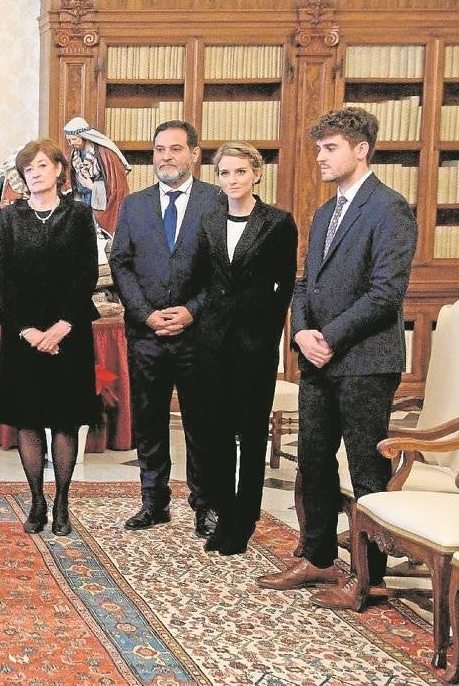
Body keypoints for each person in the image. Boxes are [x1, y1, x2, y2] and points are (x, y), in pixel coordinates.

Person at [257, 107, 417, 609]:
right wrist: (302, 331)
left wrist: (328, 336)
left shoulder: (391, 209)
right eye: (319, 147)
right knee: (313, 461)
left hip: (366, 360)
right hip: (318, 359)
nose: (320, 157)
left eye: (330, 148)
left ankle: (367, 579)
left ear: (361, 149)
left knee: (367, 470)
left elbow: (385, 293)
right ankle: (319, 556)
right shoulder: (326, 211)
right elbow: (303, 282)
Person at [108, 120, 220, 538]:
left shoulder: (216, 201)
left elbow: (222, 271)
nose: (166, 157)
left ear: (194, 153)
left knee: (201, 425)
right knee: (149, 422)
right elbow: (121, 262)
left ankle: (205, 506)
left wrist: (191, 311)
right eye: (159, 150)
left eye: (175, 149)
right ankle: (153, 504)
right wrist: (144, 313)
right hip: (146, 334)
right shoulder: (134, 205)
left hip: (198, 335)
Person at [0, 139, 101, 536]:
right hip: (23, 333)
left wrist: (62, 326)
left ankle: (63, 502)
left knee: (66, 420)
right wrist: (29, 330)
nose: (33, 174)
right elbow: (3, 277)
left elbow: (86, 274)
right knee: (29, 420)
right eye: (27, 169)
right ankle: (37, 500)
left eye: (40, 166)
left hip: (69, 333)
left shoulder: (79, 215)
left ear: (58, 169)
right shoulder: (8, 218)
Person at [194, 142, 298, 555]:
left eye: (240, 172)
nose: (232, 180)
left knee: (251, 435)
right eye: (224, 173)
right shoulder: (209, 219)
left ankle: (244, 520)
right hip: (212, 343)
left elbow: (285, 286)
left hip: (254, 345)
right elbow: (202, 279)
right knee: (215, 434)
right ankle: (221, 512)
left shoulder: (277, 222)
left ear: (256, 173)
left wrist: (266, 336)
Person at [63, 117, 131, 235]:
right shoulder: (76, 153)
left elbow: (114, 184)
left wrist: (92, 186)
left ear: (84, 136)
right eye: (69, 141)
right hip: (82, 196)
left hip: (99, 200)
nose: (71, 143)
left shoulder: (104, 153)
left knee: (95, 229)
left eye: (74, 139)